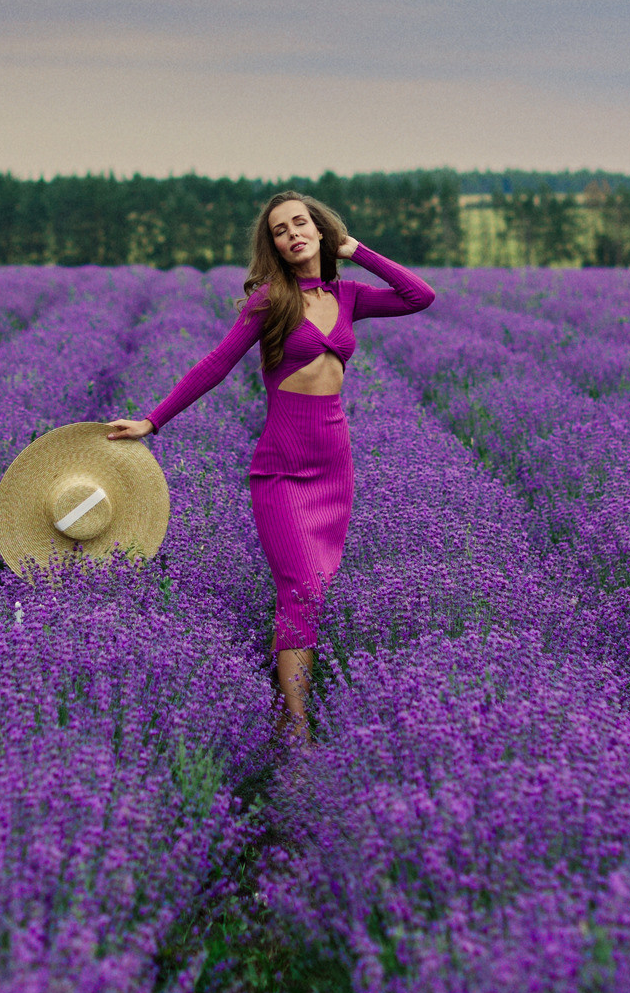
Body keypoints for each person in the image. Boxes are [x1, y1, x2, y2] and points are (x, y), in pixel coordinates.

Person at [107, 190, 434, 741]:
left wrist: (359, 251)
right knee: (300, 588)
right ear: (274, 246)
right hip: (281, 470)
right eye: (280, 230)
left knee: (315, 591)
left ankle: (288, 710)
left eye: (301, 223)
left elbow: (419, 296)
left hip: (335, 466)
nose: (292, 234)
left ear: (320, 230)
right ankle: (298, 731)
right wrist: (153, 421)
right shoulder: (271, 301)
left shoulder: (350, 296)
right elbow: (216, 363)